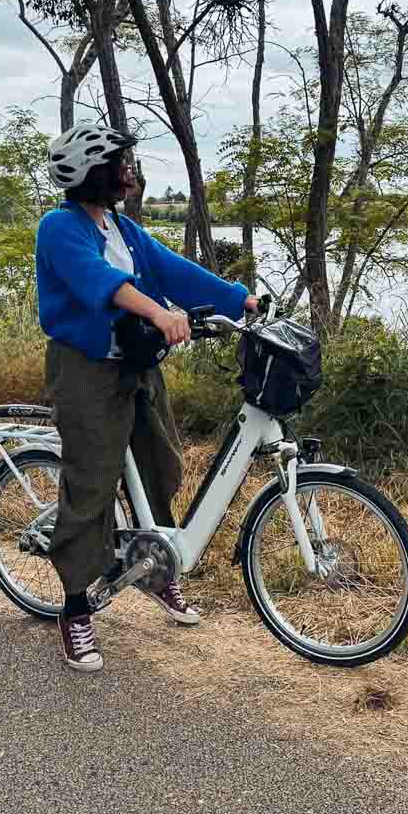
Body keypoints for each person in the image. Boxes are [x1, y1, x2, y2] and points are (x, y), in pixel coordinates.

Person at [35, 123, 257, 672]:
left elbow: (170, 269)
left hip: (136, 364)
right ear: (90, 172)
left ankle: (154, 569)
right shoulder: (59, 227)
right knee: (91, 485)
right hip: (86, 371)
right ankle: (76, 607)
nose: (129, 172)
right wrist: (157, 312)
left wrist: (239, 298)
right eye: (119, 164)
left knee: (163, 465)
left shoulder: (123, 227)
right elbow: (100, 281)